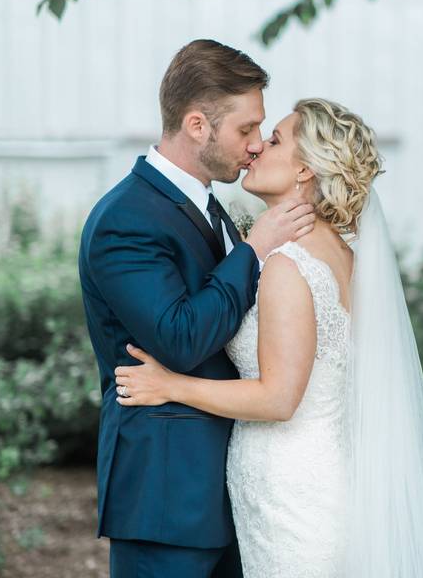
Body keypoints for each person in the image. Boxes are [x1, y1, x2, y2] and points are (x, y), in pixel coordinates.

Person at [114, 98, 423, 576]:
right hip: (318, 476)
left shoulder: (288, 265)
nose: (256, 148)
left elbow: (278, 398)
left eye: (274, 139)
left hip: (292, 494)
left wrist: (170, 385)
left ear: (304, 170)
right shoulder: (343, 256)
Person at [78, 39, 315, 578]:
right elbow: (179, 339)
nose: (256, 145)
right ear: (197, 125)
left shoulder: (212, 208)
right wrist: (255, 251)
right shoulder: (126, 220)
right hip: (165, 499)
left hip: (238, 493)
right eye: (245, 129)